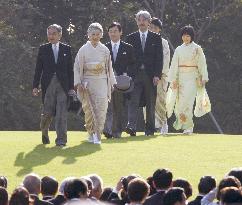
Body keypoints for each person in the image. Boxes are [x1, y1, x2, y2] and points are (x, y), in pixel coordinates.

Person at [74, 22, 116, 144]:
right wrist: (78, 83)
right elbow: (77, 67)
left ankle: (98, 134)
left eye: (98, 34)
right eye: (93, 34)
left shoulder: (105, 50)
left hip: (102, 81)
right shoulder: (83, 50)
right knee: (89, 109)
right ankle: (91, 133)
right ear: (88, 35)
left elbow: (109, 68)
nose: (95, 37)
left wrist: (112, 83)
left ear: (101, 35)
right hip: (88, 82)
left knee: (102, 108)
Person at [32, 24, 74, 147]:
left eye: (54, 33)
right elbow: (38, 69)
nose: (51, 36)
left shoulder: (67, 49)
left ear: (60, 35)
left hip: (63, 85)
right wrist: (35, 85)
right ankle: (44, 132)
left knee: (61, 113)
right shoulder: (43, 49)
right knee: (47, 112)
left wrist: (71, 88)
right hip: (48, 85)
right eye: (49, 33)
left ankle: (61, 140)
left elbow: (69, 70)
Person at [167, 25, 211, 134]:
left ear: (191, 36)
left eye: (188, 36)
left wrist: (204, 77)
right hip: (180, 79)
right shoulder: (178, 49)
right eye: (184, 36)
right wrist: (173, 79)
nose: (186, 38)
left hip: (192, 78)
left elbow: (202, 64)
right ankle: (183, 124)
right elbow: (174, 65)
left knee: (189, 102)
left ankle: (189, 126)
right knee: (180, 103)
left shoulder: (197, 48)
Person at [125, 10, 163, 136]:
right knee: (133, 101)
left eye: (144, 20)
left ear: (149, 22)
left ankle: (150, 129)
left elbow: (159, 58)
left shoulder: (156, 38)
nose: (141, 22)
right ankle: (131, 127)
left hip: (150, 75)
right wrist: (127, 75)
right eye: (139, 20)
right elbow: (127, 59)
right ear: (136, 22)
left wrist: (157, 75)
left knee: (150, 102)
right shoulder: (130, 38)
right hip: (134, 75)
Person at [103, 22, 135, 139]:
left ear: (121, 32)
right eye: (111, 31)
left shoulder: (128, 47)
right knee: (108, 106)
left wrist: (127, 74)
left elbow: (132, 64)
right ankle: (108, 130)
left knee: (119, 107)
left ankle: (117, 131)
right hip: (107, 81)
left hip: (121, 82)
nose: (113, 34)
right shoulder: (103, 48)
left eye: (115, 31)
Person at [148, 17, 170, 135]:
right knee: (147, 101)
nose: (152, 29)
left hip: (161, 76)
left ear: (159, 30)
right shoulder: (145, 40)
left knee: (160, 100)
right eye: (150, 27)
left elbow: (166, 60)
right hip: (147, 76)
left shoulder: (163, 42)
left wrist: (159, 74)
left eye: (155, 28)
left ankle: (163, 123)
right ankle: (150, 125)